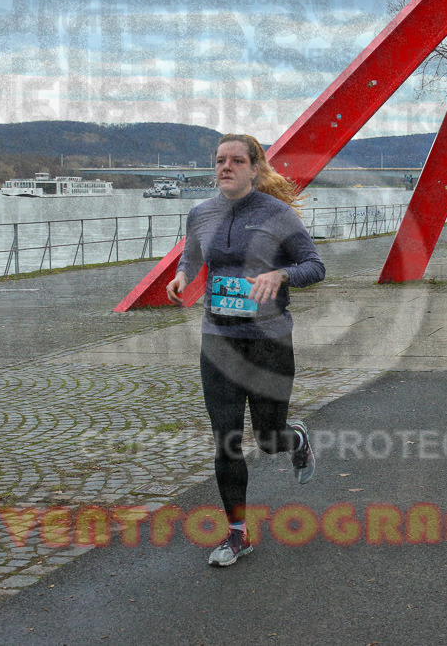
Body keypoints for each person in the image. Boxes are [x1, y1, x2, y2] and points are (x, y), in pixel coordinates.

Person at [166, 133, 325, 567]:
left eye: (237, 160)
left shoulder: (278, 214)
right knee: (227, 440)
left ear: (255, 168)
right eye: (220, 160)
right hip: (218, 339)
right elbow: (193, 256)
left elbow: (315, 266)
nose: (226, 167)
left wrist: (281, 275)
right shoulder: (200, 214)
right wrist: (183, 277)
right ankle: (237, 533)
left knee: (269, 438)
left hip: (268, 341)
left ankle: (295, 440)